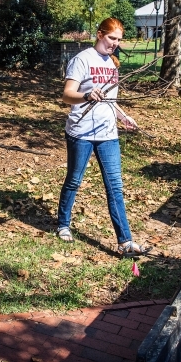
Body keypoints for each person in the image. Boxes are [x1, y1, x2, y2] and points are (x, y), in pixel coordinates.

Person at [56, 17, 150, 258]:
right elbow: (67, 95)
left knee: (115, 186)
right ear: (99, 34)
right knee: (74, 180)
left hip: (108, 133)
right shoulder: (82, 59)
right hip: (81, 131)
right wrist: (86, 95)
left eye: (118, 40)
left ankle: (125, 241)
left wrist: (123, 117)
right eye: (111, 38)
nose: (114, 44)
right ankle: (63, 224)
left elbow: (110, 100)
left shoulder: (112, 64)